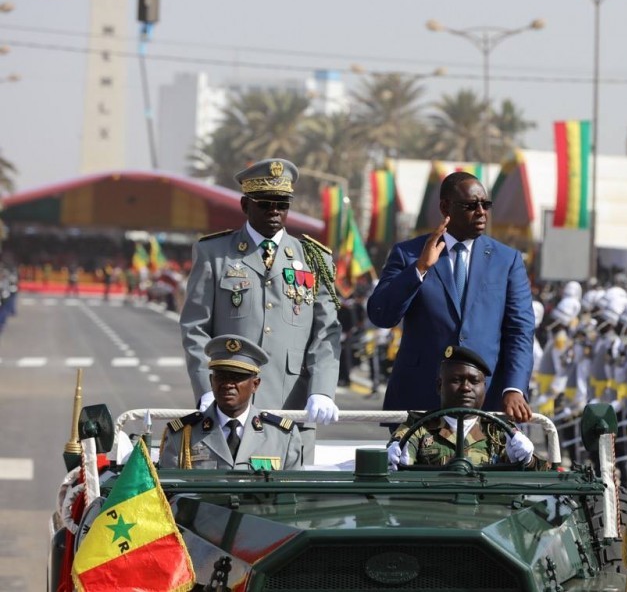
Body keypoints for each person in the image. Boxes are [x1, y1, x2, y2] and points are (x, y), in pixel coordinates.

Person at [179, 157, 342, 462]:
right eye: (265, 204)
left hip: (291, 399)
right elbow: (195, 326)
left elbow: (327, 331)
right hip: (230, 401)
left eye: (282, 204)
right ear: (245, 205)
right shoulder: (214, 253)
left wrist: (322, 388)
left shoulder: (314, 258)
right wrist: (205, 387)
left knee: (290, 499)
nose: (275, 212)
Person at [367, 171, 534, 421]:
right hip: (420, 400)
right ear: (445, 207)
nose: (481, 212)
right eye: (470, 205)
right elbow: (381, 315)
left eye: (485, 205)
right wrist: (420, 268)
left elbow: (520, 330)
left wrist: (514, 388)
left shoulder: (506, 260)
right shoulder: (409, 254)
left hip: (485, 401)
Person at [386, 345, 544, 470]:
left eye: (474, 381)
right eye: (456, 380)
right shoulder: (418, 428)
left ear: (484, 387)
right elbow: (400, 454)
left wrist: (528, 461)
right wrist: (395, 459)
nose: (466, 388)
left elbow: (544, 475)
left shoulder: (501, 431)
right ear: (440, 385)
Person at [159, 334, 304, 470]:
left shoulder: (282, 436)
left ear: (255, 384)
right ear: (211, 381)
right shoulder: (183, 434)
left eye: (237, 377)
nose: (228, 384)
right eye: (221, 377)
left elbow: (294, 491)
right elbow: (170, 492)